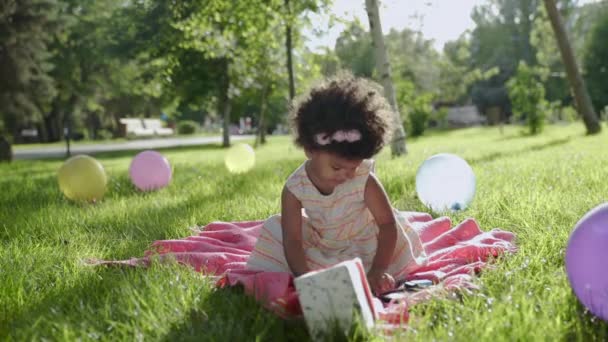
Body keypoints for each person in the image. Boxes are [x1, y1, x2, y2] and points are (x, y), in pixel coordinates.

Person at [246, 73, 426, 294]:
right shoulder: (295, 188)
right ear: (310, 149)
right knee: (276, 228)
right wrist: (306, 279)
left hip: (368, 244)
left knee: (381, 260)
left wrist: (378, 269)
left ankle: (370, 275)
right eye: (337, 168)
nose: (347, 176)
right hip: (326, 245)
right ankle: (322, 275)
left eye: (353, 167)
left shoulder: (363, 178)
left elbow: (387, 225)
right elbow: (292, 240)